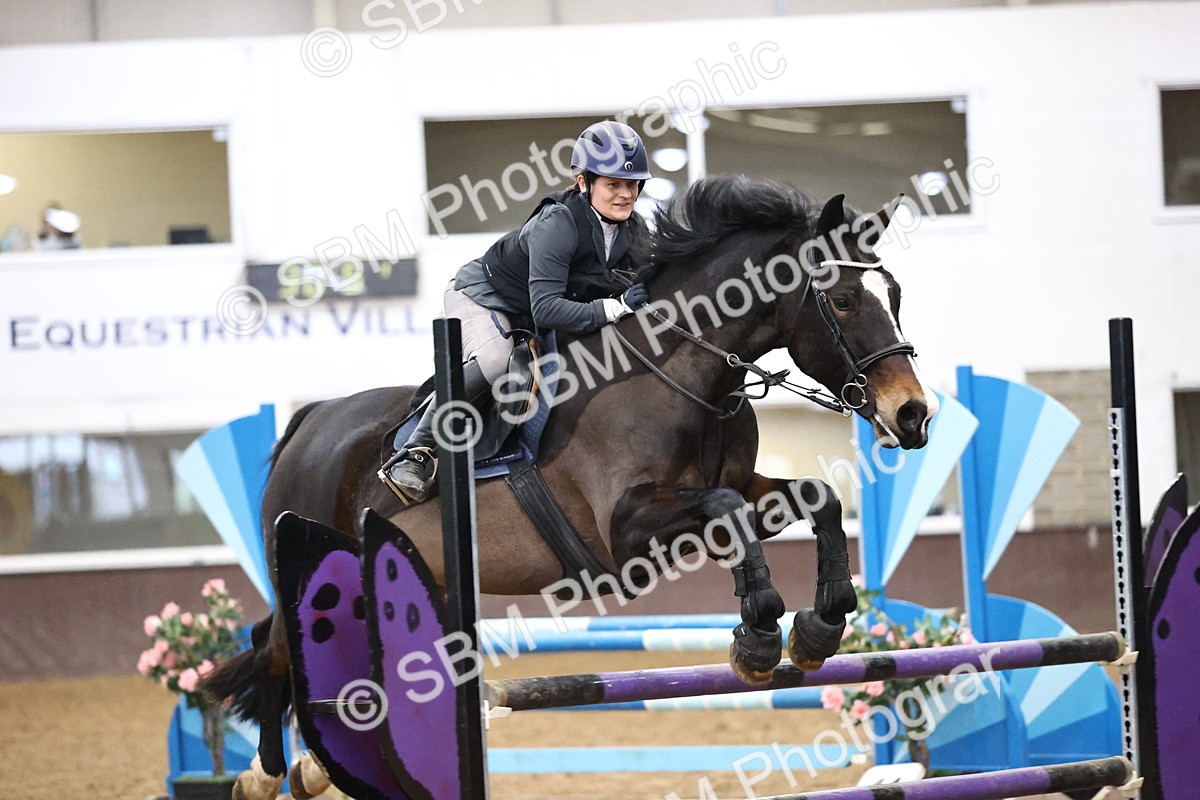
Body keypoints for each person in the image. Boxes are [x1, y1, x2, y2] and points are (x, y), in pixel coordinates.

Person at [383, 120, 653, 503]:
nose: (626, 195)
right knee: (496, 359)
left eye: (633, 184)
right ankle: (414, 452)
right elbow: (546, 310)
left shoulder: (635, 231)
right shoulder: (557, 223)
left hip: (529, 313)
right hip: (483, 295)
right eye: (614, 184)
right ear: (583, 183)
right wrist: (612, 309)